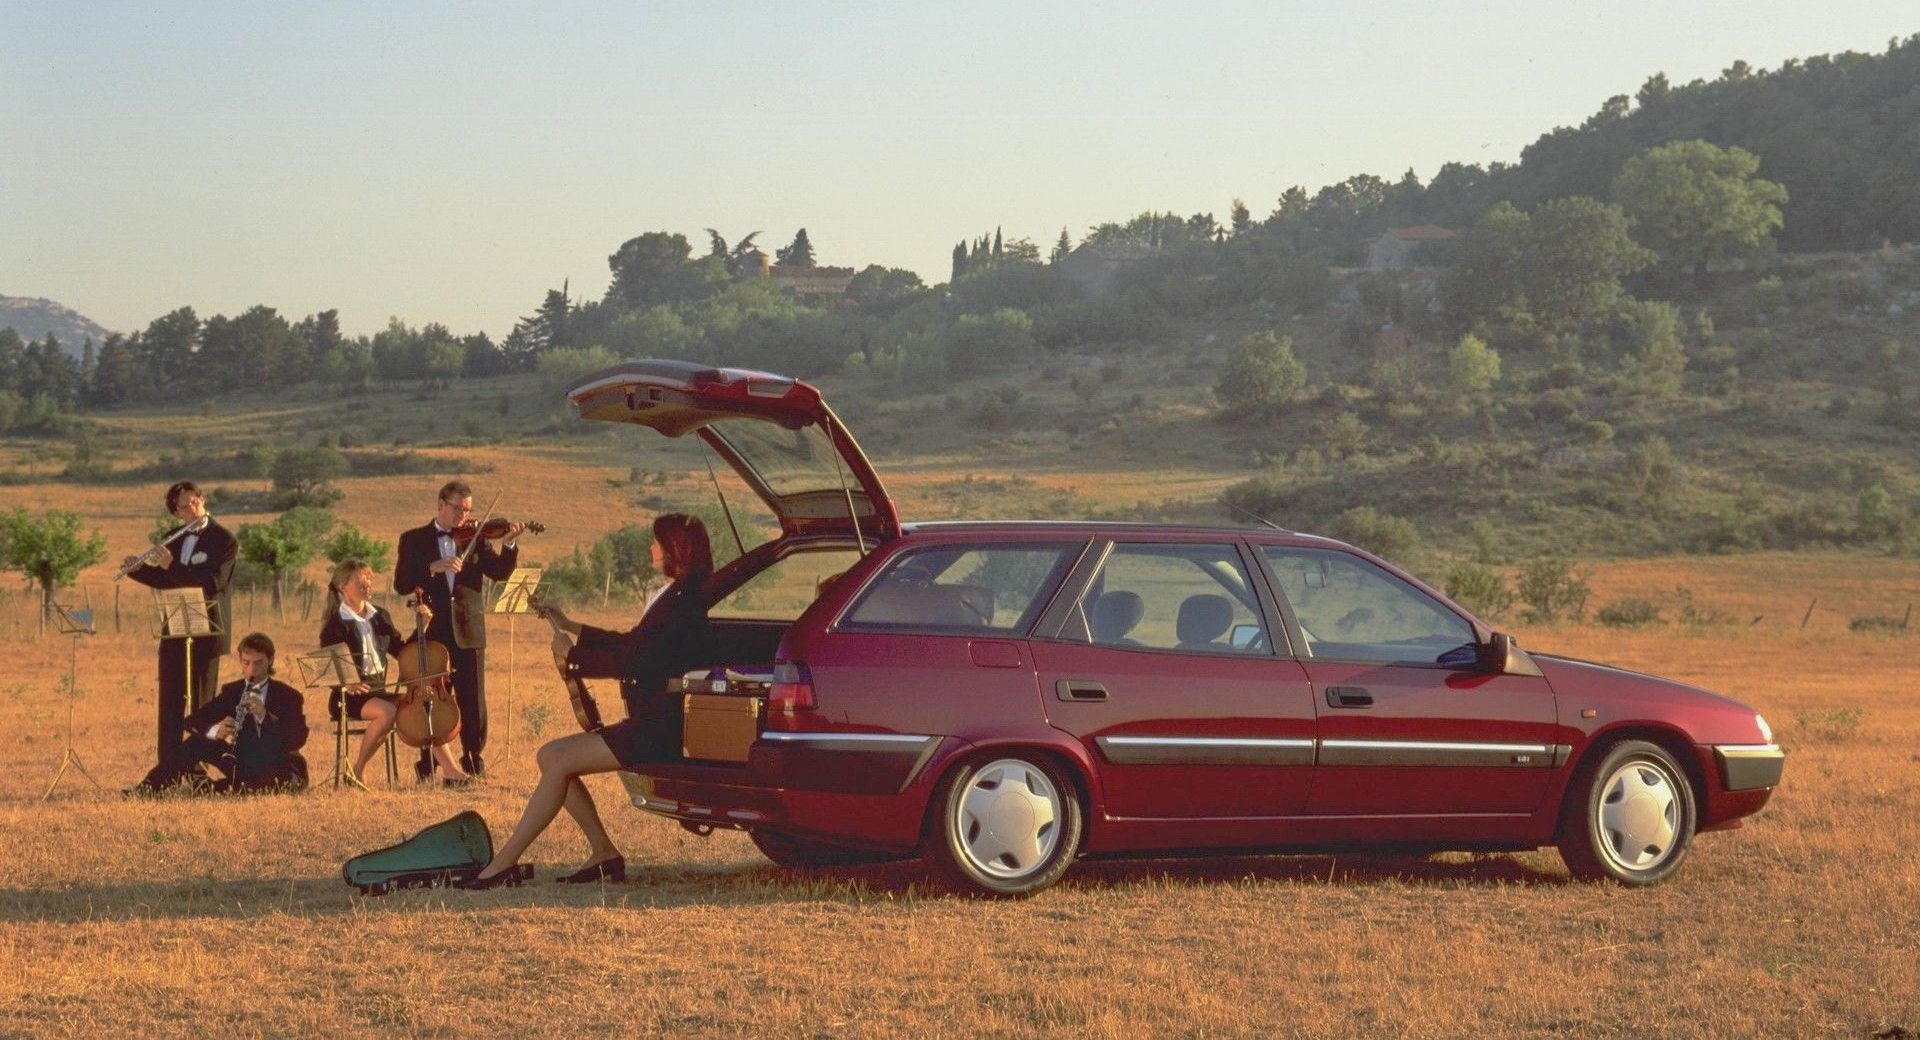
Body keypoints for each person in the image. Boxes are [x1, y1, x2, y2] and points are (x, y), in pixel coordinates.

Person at [457, 514, 714, 888]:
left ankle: (502, 865)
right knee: (551, 757)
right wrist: (572, 625)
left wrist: (574, 657)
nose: (651, 548)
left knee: (557, 758)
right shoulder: (678, 594)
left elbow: (636, 660)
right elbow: (632, 642)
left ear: (677, 548)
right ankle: (603, 853)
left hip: (662, 725)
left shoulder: (682, 599)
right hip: (655, 718)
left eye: (657, 542)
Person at [392, 480, 522, 779]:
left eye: (468, 510)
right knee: (431, 697)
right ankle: (430, 763)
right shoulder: (413, 539)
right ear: (441, 504)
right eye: (458, 509)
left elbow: (500, 573)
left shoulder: (477, 537)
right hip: (433, 631)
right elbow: (401, 584)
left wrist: (510, 544)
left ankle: (473, 759)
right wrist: (432, 567)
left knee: (473, 698)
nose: (464, 516)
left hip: (469, 629)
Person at [318, 558, 471, 787]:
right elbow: (330, 668)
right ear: (343, 587)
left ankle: (450, 771)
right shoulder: (335, 624)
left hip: (378, 691)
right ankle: (357, 772)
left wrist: (423, 626)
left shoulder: (380, 615)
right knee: (388, 712)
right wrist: (347, 684)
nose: (368, 585)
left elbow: (402, 651)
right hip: (348, 696)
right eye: (361, 581)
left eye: (369, 579)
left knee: (422, 706)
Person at [122, 481, 237, 768]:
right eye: (184, 507)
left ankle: (199, 770)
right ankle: (168, 771)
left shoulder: (224, 540)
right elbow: (166, 580)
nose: (191, 509)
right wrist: (137, 571)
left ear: (202, 499)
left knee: (203, 706)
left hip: (208, 631)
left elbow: (213, 583)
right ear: (176, 513)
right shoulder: (172, 537)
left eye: (194, 501)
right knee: (170, 705)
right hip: (176, 628)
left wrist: (171, 566)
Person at [134, 632, 309, 794]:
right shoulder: (234, 691)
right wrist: (214, 731)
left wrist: (264, 715)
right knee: (197, 742)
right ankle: (149, 787)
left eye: (258, 663)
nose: (251, 670)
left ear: (271, 660)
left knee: (278, 782)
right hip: (243, 763)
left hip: (277, 764)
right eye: (246, 663)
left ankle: (213, 788)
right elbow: (192, 722)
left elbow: (296, 739)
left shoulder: (289, 696)